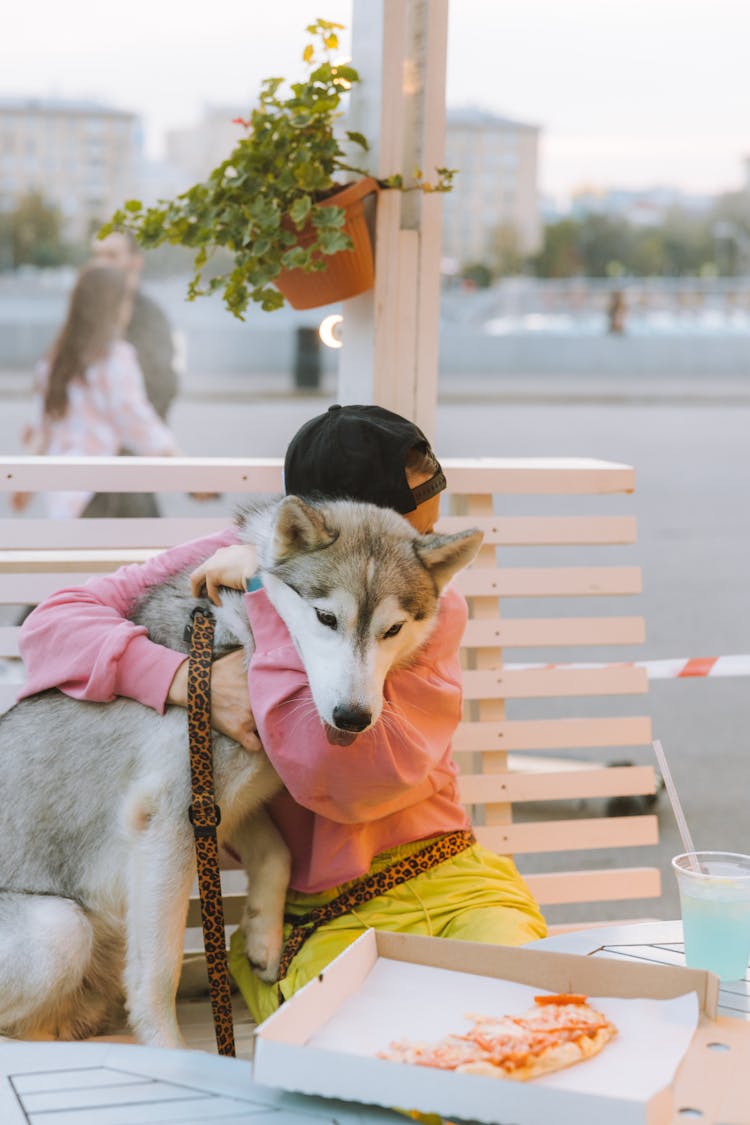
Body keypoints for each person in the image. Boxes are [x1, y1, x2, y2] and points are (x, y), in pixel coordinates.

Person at [17, 404, 546, 1025]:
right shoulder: (250, 556)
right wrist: (189, 678)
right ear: (338, 528)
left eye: (425, 536)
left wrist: (265, 595)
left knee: (532, 1020)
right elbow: (53, 624)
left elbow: (342, 785)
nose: (420, 549)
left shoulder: (427, 605)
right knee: (399, 1046)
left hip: (451, 879)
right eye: (410, 529)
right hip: (317, 918)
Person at [11, 264, 180, 520]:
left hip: (66, 503)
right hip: (103, 496)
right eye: (126, 301)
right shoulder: (115, 357)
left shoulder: (54, 361)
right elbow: (137, 422)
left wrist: (24, 483)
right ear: (113, 306)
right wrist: (179, 460)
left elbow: (42, 430)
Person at [91, 229, 180, 424]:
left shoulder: (152, 316)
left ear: (136, 262)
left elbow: (162, 387)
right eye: (96, 255)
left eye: (111, 255)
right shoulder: (86, 312)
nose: (100, 264)